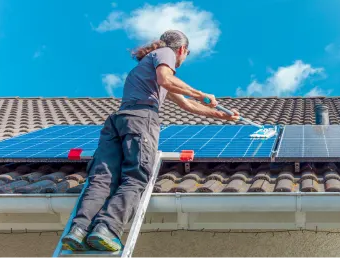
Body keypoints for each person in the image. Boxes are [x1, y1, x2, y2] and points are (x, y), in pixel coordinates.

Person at [61, 29, 240, 252]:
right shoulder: (166, 54)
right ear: (182, 49)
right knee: (136, 176)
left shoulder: (146, 67)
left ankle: (78, 230)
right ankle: (106, 228)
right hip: (140, 119)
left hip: (118, 121)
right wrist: (201, 93)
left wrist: (222, 115)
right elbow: (167, 79)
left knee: (102, 179)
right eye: (185, 54)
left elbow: (186, 104)